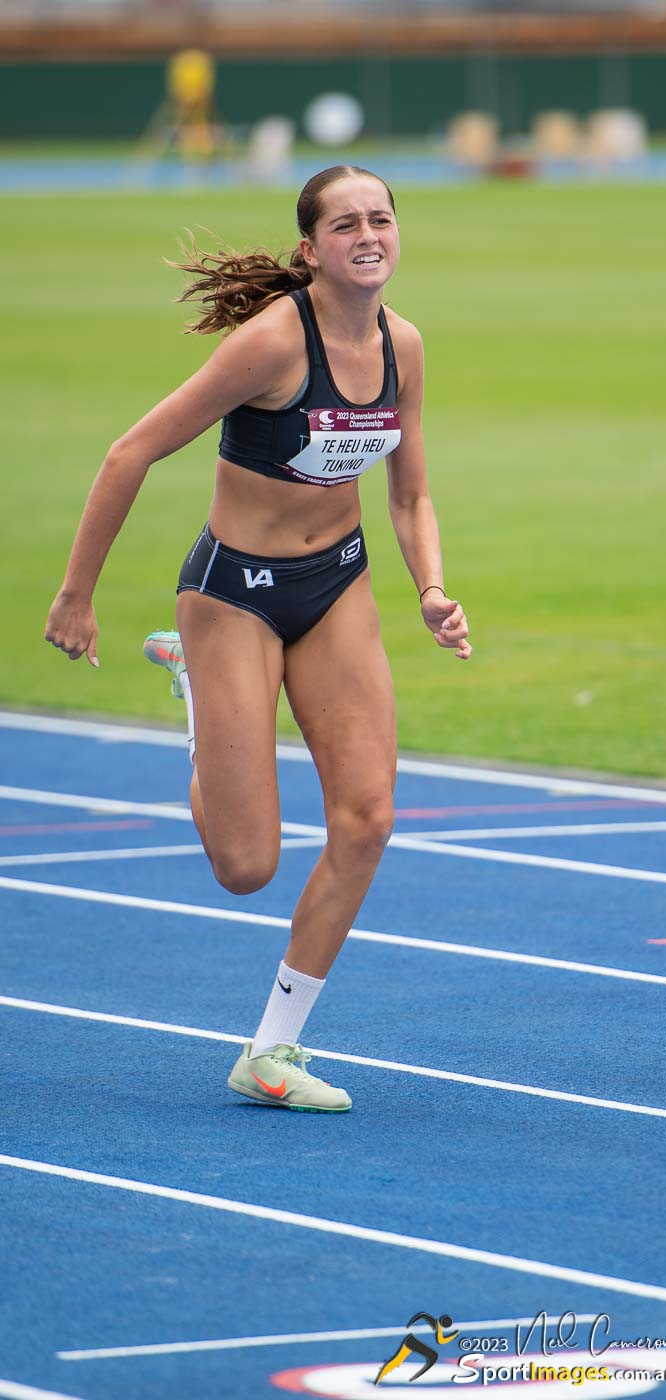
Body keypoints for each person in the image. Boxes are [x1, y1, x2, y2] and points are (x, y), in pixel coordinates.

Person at [44, 164, 471, 1113]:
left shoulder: (404, 346)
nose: (370, 235)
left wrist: (433, 589)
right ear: (312, 249)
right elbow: (132, 451)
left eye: (383, 219)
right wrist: (78, 595)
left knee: (368, 820)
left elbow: (409, 491)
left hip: (338, 585)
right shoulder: (274, 343)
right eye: (348, 223)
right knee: (247, 868)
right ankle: (196, 682)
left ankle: (272, 1050)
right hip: (235, 596)